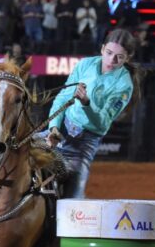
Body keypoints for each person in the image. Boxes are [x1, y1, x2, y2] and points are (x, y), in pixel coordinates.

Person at [45, 29, 141, 198]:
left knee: (72, 201)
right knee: (17, 153)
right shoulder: (85, 64)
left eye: (120, 56)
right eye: (109, 53)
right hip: (60, 131)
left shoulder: (124, 85)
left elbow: (102, 123)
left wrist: (87, 104)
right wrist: (53, 127)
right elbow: (63, 98)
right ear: (102, 49)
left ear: (128, 58)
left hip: (83, 145)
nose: (112, 60)